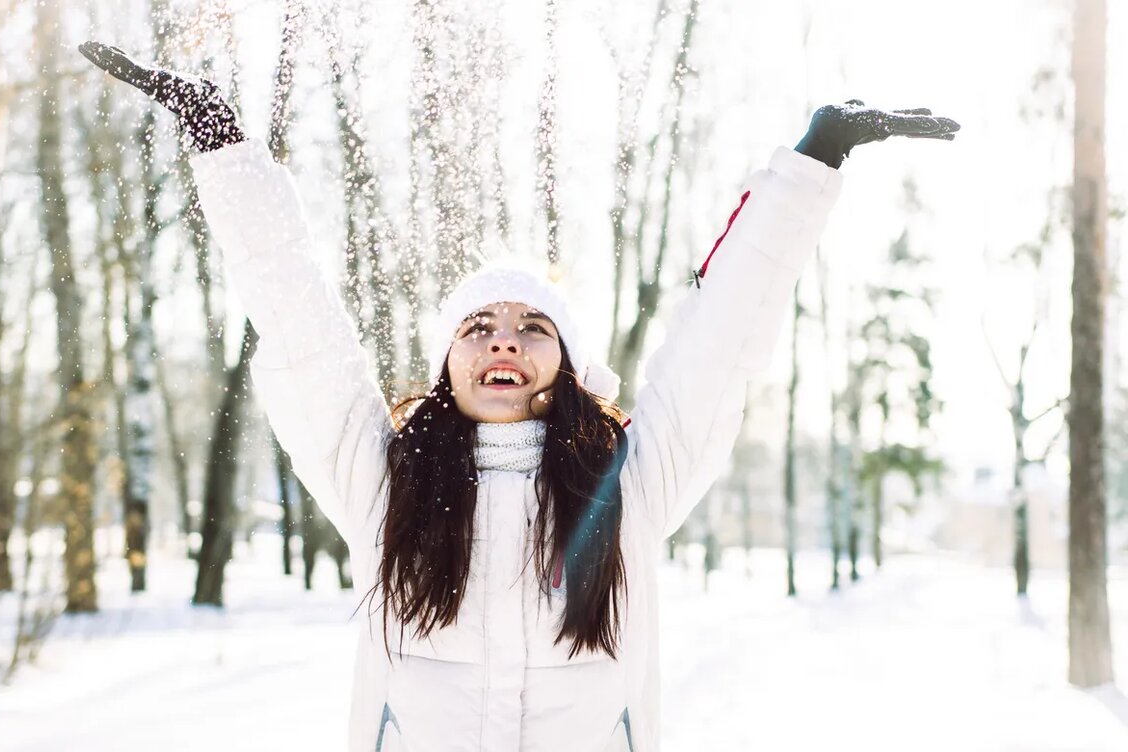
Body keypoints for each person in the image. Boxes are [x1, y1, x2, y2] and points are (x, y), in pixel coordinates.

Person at [80, 41, 959, 752]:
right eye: (478, 326)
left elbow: (719, 339)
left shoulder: (632, 484)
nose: (504, 339)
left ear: (567, 363)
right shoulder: (382, 484)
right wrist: (225, 149)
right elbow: (301, 324)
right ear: (449, 366)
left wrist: (813, 163)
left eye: (533, 326)